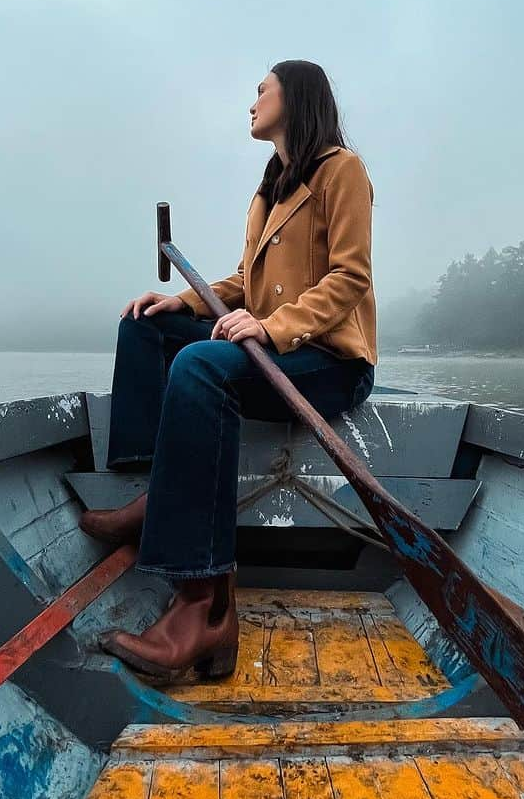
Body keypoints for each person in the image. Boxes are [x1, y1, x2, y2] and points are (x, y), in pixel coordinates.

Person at [81, 60, 377, 681]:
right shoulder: (270, 188)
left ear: (294, 97)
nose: (252, 102)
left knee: (199, 367)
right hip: (268, 349)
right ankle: (155, 491)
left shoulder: (341, 171)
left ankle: (203, 611)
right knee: (144, 326)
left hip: (325, 360)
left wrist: (270, 328)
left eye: (261, 90)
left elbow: (350, 278)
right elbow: (244, 285)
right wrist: (183, 302)